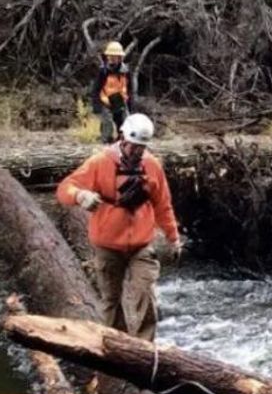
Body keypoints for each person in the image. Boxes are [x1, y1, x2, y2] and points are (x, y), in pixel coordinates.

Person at [57, 113, 182, 341]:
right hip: (108, 245)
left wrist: (173, 238)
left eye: (141, 148)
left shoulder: (152, 166)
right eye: (134, 147)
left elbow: (163, 205)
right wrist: (80, 195)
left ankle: (145, 350)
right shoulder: (99, 163)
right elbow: (65, 188)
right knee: (111, 300)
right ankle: (115, 346)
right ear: (123, 138)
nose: (137, 152)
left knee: (145, 295)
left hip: (141, 244)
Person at [90, 41, 136, 144]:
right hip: (106, 101)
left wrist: (130, 105)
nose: (111, 59)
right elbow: (96, 89)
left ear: (120, 57)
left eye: (114, 56)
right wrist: (96, 106)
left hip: (120, 101)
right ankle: (106, 143)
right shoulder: (103, 71)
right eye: (109, 56)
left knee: (125, 124)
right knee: (108, 123)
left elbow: (130, 89)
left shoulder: (126, 71)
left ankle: (123, 143)